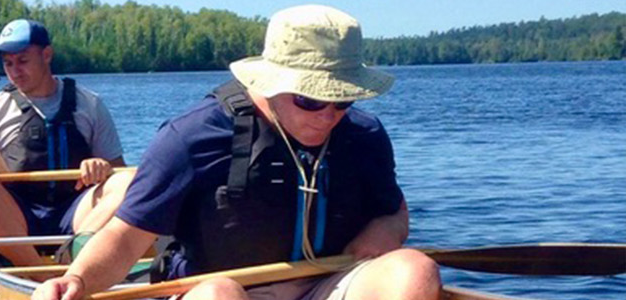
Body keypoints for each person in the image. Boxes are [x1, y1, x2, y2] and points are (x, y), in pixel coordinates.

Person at [34, 5, 440, 300]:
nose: (329, 115)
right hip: (219, 289)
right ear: (269, 82)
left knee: (414, 270)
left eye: (343, 101)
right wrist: (78, 281)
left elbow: (393, 209)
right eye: (311, 101)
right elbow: (126, 237)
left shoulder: (364, 135)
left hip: (327, 283)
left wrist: (387, 230)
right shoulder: (191, 138)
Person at [0, 19, 132, 269]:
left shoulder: (90, 105)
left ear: (47, 55)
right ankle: (40, 276)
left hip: (77, 215)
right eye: (8, 63)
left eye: (23, 61)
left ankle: (73, 256)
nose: (15, 71)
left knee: (127, 182)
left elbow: (118, 172)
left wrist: (101, 167)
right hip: (17, 222)